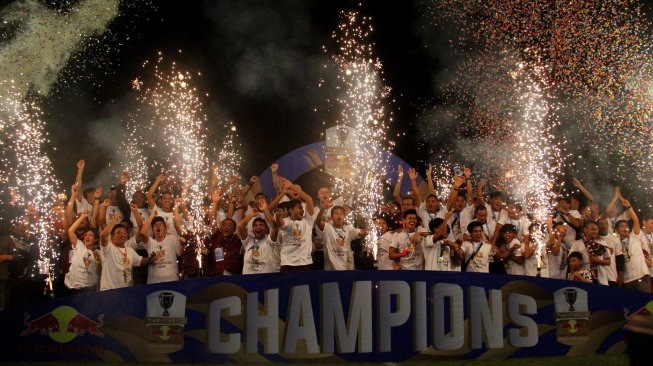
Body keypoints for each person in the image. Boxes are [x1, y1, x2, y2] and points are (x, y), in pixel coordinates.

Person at [99, 214, 155, 291]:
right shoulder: (108, 248)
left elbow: (141, 261)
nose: (123, 234)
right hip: (108, 291)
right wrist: (114, 221)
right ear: (112, 236)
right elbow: (103, 236)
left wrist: (151, 258)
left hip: (125, 292)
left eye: (124, 233)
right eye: (119, 232)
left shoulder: (129, 250)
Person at [276, 183, 315, 271]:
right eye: (299, 208)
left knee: (304, 285)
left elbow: (309, 200)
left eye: (302, 208)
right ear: (291, 210)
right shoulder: (287, 221)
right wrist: (278, 217)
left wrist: (292, 186)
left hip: (305, 264)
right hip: (287, 264)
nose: (302, 210)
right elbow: (280, 223)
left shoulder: (308, 221)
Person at [615, 197, 651, 292]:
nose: (625, 228)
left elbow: (635, 221)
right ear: (616, 230)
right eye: (622, 226)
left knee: (646, 305)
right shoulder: (616, 243)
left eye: (626, 226)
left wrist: (629, 207)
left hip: (642, 276)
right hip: (627, 281)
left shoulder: (634, 236)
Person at [316, 204, 366, 271]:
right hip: (330, 271)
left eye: (341, 214)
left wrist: (366, 225)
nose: (339, 215)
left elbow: (363, 232)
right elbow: (318, 222)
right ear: (332, 217)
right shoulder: (328, 227)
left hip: (344, 270)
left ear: (344, 217)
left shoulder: (348, 229)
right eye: (336, 213)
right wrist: (322, 210)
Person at [137, 211, 183, 284]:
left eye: (160, 224)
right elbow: (142, 232)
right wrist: (152, 215)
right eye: (155, 225)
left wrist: (183, 244)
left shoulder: (173, 239)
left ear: (165, 228)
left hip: (172, 282)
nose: (158, 226)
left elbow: (181, 253)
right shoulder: (150, 242)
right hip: (154, 284)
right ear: (152, 230)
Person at [236, 197, 279, 274]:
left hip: (264, 281)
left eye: (261, 225)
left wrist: (265, 209)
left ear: (266, 229)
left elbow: (275, 226)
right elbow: (240, 226)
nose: (258, 227)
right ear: (252, 230)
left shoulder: (269, 241)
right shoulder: (248, 241)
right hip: (248, 281)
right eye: (255, 225)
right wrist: (251, 215)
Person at [64, 211, 100, 294]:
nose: (87, 237)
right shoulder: (79, 245)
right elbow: (70, 231)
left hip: (89, 288)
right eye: (86, 235)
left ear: (96, 239)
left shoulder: (98, 253)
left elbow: (99, 272)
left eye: (90, 235)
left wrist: (97, 260)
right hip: (72, 287)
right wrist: (82, 217)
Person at [569, 220, 611, 285]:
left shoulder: (602, 242)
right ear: (585, 230)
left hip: (601, 278)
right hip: (583, 278)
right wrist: (573, 275)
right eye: (592, 229)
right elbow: (571, 261)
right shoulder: (577, 244)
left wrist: (596, 260)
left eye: (596, 229)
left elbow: (608, 261)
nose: (595, 231)